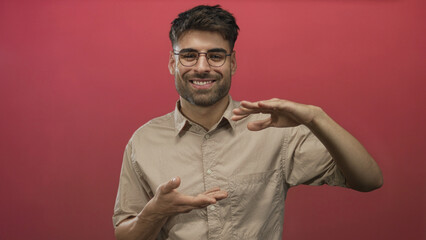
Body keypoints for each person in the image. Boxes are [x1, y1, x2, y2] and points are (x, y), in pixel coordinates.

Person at [113, 5, 383, 240]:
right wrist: (155, 212)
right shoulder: (143, 142)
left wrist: (315, 117)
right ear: (173, 63)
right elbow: (125, 235)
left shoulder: (273, 129)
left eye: (216, 56)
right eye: (189, 55)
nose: (202, 67)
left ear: (233, 64)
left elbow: (369, 179)